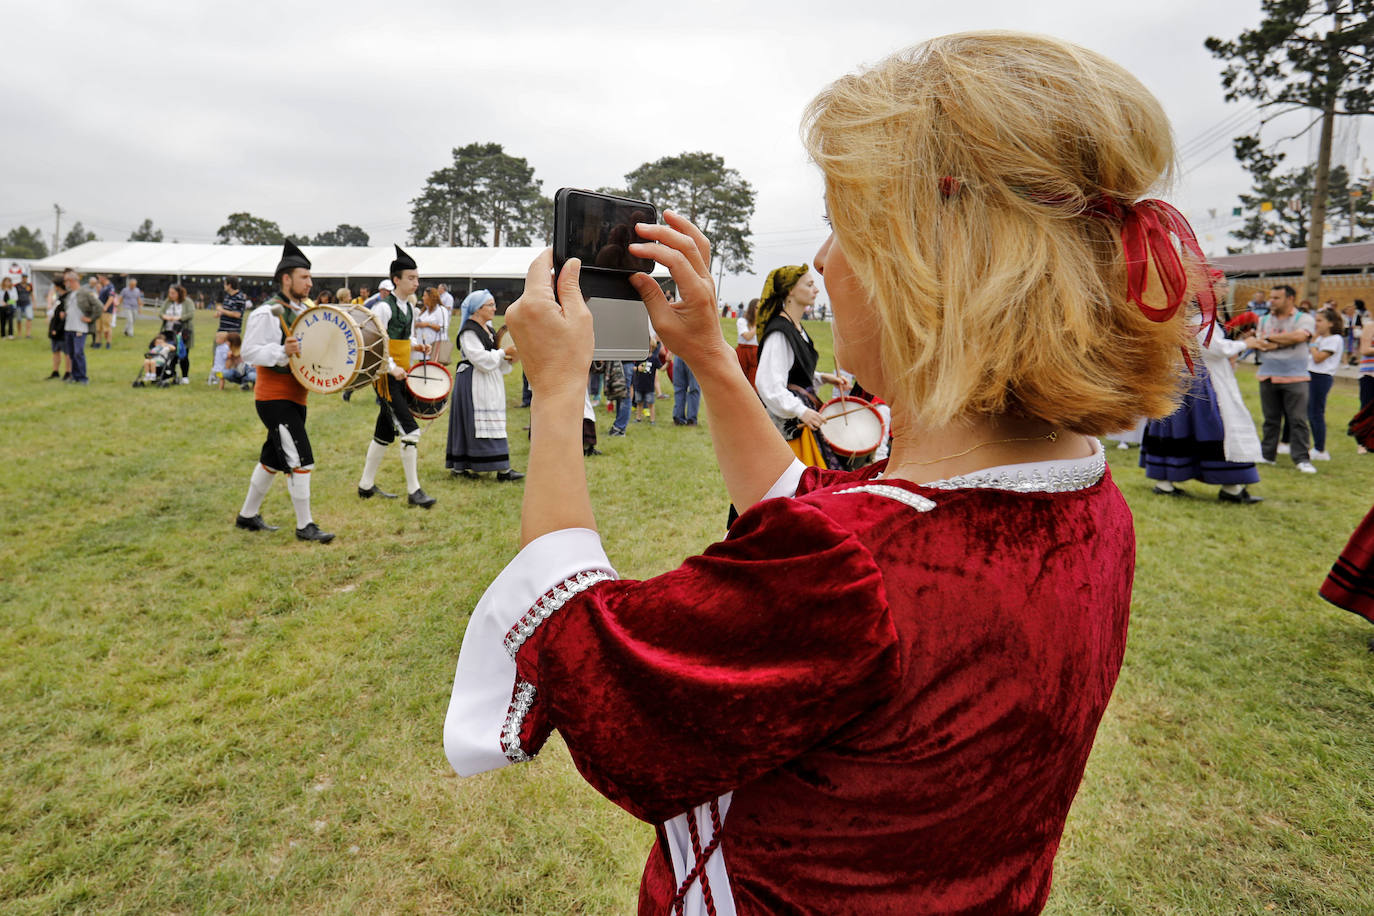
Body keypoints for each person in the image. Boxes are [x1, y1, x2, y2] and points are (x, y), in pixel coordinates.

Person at [444, 32, 1215, 914]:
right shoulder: (1077, 497)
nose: (822, 262)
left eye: (843, 228)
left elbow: (596, 661)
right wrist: (708, 355)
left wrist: (555, 394)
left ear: (929, 272)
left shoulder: (855, 572)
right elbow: (822, 523)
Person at [234, 239, 334, 542]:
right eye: (304, 277)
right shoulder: (267, 312)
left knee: (272, 459)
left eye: (310, 277)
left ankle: (246, 516)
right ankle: (306, 526)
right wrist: (282, 351)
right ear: (286, 278)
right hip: (273, 398)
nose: (310, 283)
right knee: (300, 458)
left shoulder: (306, 309)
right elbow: (249, 352)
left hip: (295, 396)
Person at [1140, 321, 1263, 503]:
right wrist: (1246, 344)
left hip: (1178, 375)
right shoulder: (1199, 318)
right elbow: (1214, 347)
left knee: (1175, 428)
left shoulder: (1183, 315)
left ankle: (1165, 482)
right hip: (1196, 378)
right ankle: (1231, 488)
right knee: (1215, 429)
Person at [356, 246, 437, 508]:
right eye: (411, 278)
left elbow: (406, 337)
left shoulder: (411, 309)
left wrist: (416, 346)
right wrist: (391, 367)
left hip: (403, 375)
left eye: (417, 278)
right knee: (411, 431)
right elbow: (376, 344)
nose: (417, 283)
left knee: (383, 434)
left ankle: (365, 486)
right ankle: (414, 491)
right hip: (387, 378)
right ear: (396, 280)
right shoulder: (383, 308)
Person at [754, 264, 850, 466]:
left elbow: (794, 374)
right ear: (790, 290)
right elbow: (769, 385)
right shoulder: (780, 333)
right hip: (787, 426)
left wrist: (822, 378)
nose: (816, 290)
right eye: (809, 285)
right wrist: (800, 411)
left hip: (800, 416)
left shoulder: (796, 328)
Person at [446, 289, 523, 480]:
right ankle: (463, 467)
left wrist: (509, 357)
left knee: (493, 422)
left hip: (488, 380)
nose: (494, 308)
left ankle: (502, 468)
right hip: (473, 382)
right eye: (490, 305)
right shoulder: (468, 331)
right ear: (477, 309)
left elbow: (494, 357)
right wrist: (503, 352)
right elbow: (480, 359)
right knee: (473, 423)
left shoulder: (488, 330)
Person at [1242, 284, 1317, 473]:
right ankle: (1267, 455)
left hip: (1295, 376)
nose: (1271, 301)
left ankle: (1302, 459)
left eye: (1276, 298)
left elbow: (1300, 336)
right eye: (1271, 297)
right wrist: (1281, 339)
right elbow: (1261, 344)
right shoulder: (1264, 319)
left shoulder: (1304, 318)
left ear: (1290, 299)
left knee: (1298, 420)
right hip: (1268, 374)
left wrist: (1271, 339)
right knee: (1270, 419)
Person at [1306, 306, 1344, 461]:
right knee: (1309, 413)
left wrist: (1313, 344)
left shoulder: (1334, 339)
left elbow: (1318, 358)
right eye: (1316, 320)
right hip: (1310, 375)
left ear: (1331, 323)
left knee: (1316, 413)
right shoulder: (1321, 338)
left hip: (1320, 378)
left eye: (1320, 321)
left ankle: (1320, 449)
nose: (1317, 324)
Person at [60, 269, 102, 384]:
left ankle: (83, 377)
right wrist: (65, 313)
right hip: (69, 327)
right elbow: (70, 308)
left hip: (80, 328)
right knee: (72, 353)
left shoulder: (85, 292)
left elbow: (99, 306)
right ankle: (75, 376)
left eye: (66, 281)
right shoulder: (70, 295)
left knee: (78, 352)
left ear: (72, 280)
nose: (65, 283)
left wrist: (90, 318)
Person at [412, 286, 449, 365]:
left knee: (433, 371)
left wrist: (427, 324)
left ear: (431, 297)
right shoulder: (424, 311)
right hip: (423, 348)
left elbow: (443, 328)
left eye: (425, 296)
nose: (422, 298)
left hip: (435, 347)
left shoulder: (441, 310)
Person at [735, 297, 760, 387]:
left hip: (756, 352)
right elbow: (748, 336)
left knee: (753, 381)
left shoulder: (763, 323)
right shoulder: (742, 321)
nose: (759, 310)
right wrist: (758, 324)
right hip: (743, 351)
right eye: (757, 308)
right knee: (740, 379)